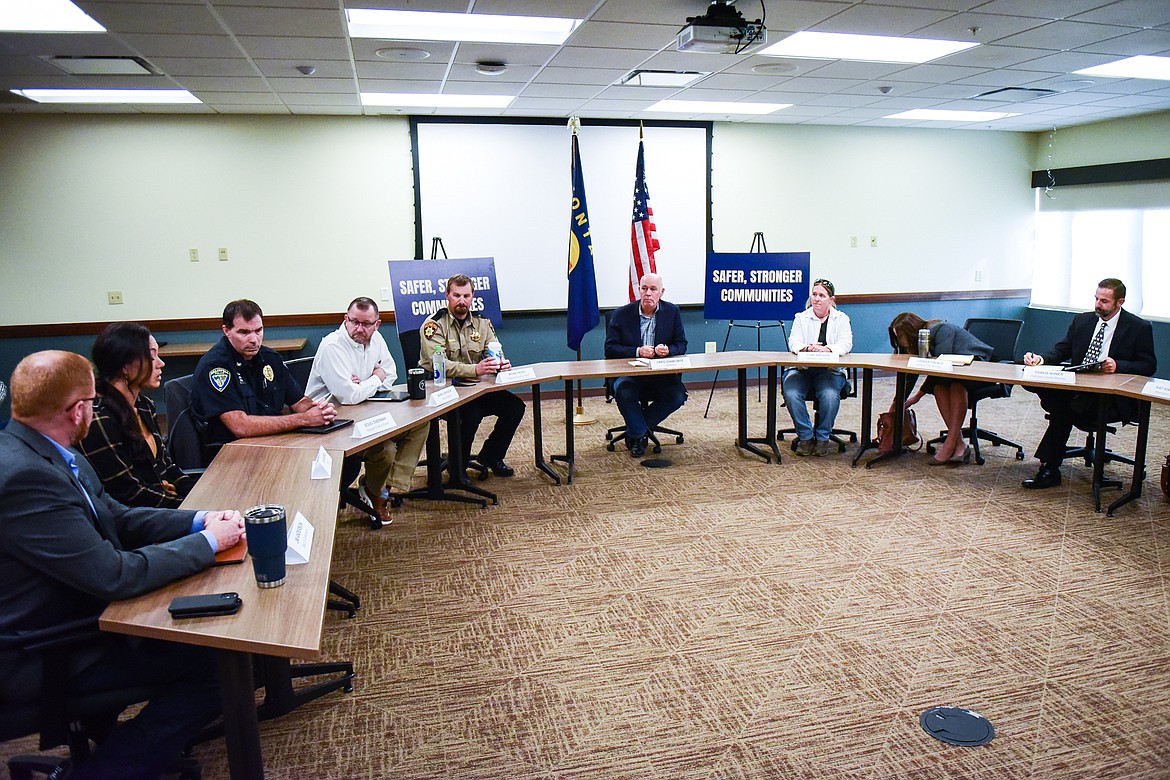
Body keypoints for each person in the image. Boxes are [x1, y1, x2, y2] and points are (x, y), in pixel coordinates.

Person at [0, 350, 245, 779]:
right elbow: (114, 574)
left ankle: (119, 742)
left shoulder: (41, 448)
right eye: (93, 403)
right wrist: (208, 544)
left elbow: (115, 515)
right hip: (45, 647)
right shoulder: (26, 478)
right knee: (218, 665)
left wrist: (197, 519)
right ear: (78, 411)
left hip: (74, 611)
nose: (96, 411)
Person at [1020, 278, 1156, 489]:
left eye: (1104, 301)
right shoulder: (1082, 321)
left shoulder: (1138, 327)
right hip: (1079, 387)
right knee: (1057, 399)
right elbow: (1061, 350)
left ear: (1120, 302)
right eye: (1096, 299)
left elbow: (1148, 365)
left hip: (1111, 395)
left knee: (1062, 410)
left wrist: (1118, 365)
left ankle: (1049, 467)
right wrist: (1041, 359)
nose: (1097, 305)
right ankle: (1049, 464)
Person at [305, 297, 428, 522]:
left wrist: (363, 383)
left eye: (366, 324)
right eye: (354, 322)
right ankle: (376, 495)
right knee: (385, 449)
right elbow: (349, 397)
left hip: (366, 410)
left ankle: (382, 490)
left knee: (419, 423)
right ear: (346, 319)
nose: (359, 329)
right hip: (333, 423)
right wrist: (373, 377)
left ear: (377, 324)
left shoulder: (377, 339)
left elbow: (390, 375)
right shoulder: (333, 346)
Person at [191, 299, 337, 449]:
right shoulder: (215, 367)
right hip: (234, 450)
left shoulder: (270, 358)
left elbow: (299, 402)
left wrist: (319, 410)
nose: (254, 340)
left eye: (258, 330)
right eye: (244, 332)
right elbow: (240, 426)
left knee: (338, 455)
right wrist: (303, 420)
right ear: (226, 331)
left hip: (276, 440)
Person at [419, 274, 525, 477]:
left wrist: (500, 364)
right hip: (445, 391)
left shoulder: (482, 322)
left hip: (476, 388)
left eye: (466, 296)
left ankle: (491, 456)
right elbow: (439, 364)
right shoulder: (434, 326)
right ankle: (457, 469)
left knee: (514, 407)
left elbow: (493, 350)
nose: (462, 301)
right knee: (471, 414)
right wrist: (475, 370)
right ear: (447, 296)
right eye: (456, 295)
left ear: (472, 296)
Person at [79, 322, 194, 507]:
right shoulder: (98, 419)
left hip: (161, 507)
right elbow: (129, 493)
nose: (161, 363)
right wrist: (192, 507)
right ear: (124, 365)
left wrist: (197, 492)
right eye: (152, 356)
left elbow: (166, 467)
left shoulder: (144, 405)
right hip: (136, 520)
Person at [889, 312, 993, 465]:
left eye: (900, 336)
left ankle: (950, 444)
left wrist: (917, 396)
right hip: (954, 372)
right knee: (939, 387)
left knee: (957, 386)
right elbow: (912, 376)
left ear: (910, 331)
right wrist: (898, 402)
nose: (900, 342)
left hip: (978, 366)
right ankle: (960, 444)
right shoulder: (922, 340)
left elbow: (940, 367)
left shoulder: (942, 329)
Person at [604, 273, 688, 458]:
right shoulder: (622, 314)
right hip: (630, 372)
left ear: (661, 292)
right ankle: (639, 435)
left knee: (677, 395)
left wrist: (668, 350)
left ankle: (637, 431)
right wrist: (637, 351)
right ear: (639, 290)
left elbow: (681, 344)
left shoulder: (672, 312)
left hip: (660, 373)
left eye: (653, 289)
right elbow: (610, 348)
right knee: (624, 391)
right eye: (644, 289)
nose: (648, 293)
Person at [783, 278, 853, 456]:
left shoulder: (841, 319)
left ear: (831, 299)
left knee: (829, 395)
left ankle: (822, 438)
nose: (817, 299)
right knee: (791, 393)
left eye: (822, 295)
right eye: (814, 295)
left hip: (830, 371)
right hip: (802, 369)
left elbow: (846, 344)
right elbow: (793, 342)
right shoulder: (801, 317)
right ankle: (805, 436)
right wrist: (807, 348)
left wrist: (827, 349)